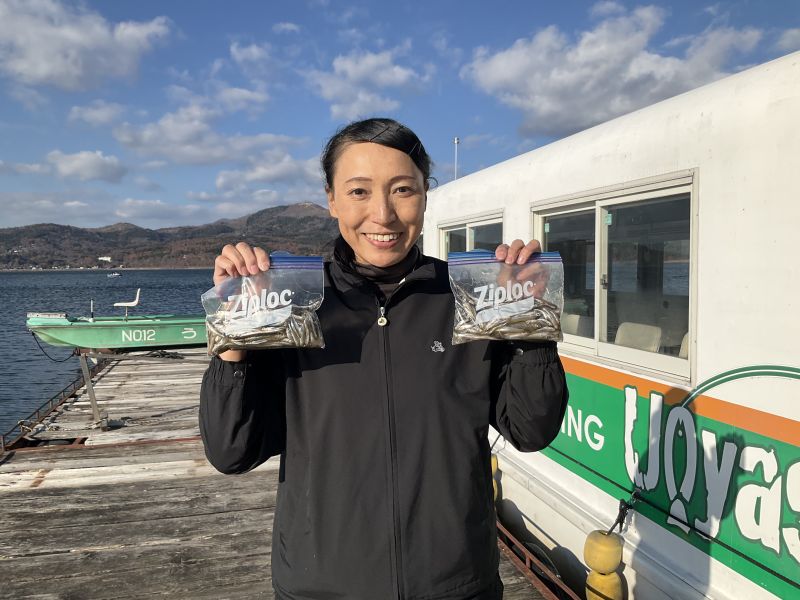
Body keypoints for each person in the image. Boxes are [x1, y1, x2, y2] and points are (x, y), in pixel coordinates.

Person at [199, 118, 569, 600]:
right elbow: (231, 451)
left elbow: (532, 429)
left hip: (456, 585)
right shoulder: (290, 303)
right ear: (331, 199)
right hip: (322, 588)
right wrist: (234, 328)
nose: (383, 214)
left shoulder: (471, 296)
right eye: (359, 191)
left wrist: (531, 319)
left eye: (402, 190)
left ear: (425, 195)